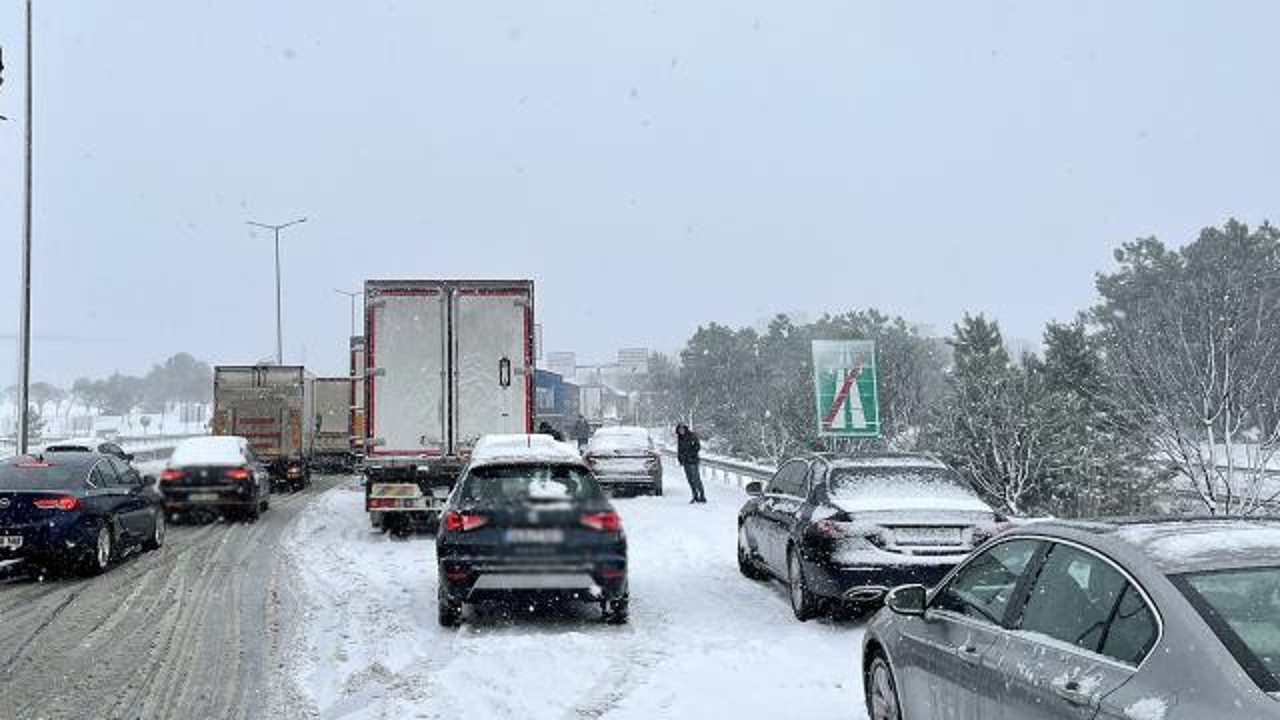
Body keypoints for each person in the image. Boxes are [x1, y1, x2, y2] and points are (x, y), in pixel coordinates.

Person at [676, 423, 706, 504]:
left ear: (685, 429)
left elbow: (697, 446)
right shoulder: (680, 438)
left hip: (693, 461)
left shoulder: (692, 435)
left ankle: (702, 496)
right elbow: (679, 449)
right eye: (679, 429)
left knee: (696, 479)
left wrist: (691, 454)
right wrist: (680, 459)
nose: (681, 430)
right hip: (685, 462)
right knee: (690, 480)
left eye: (682, 429)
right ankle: (695, 496)